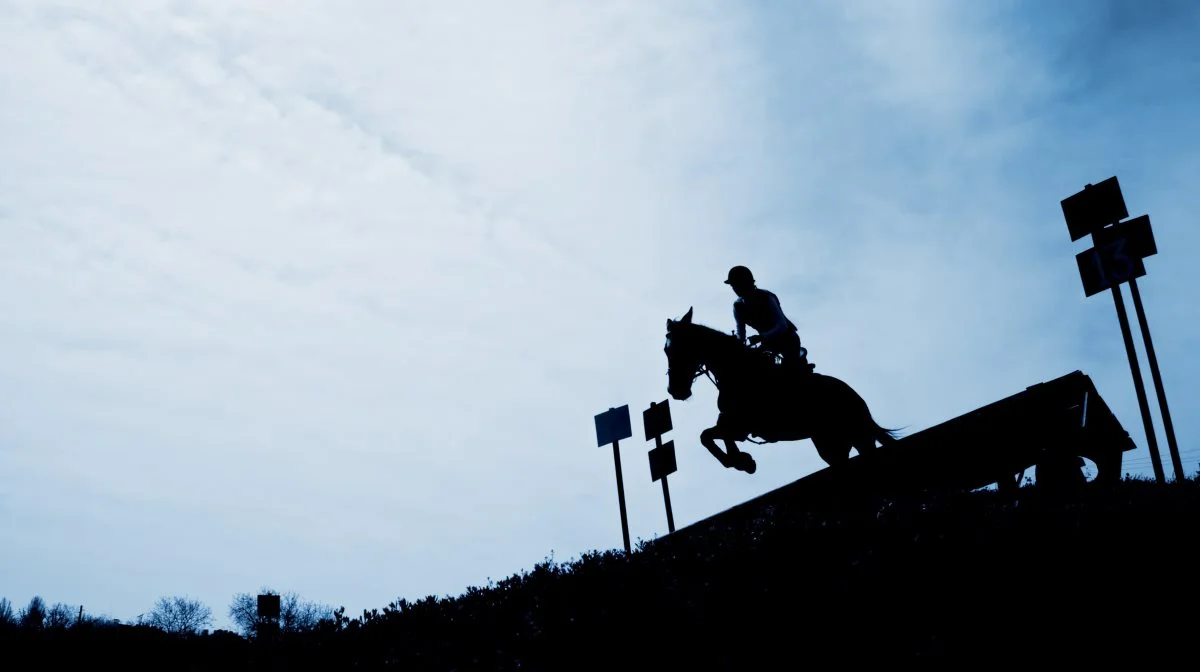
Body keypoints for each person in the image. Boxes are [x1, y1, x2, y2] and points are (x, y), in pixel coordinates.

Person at [724, 265, 807, 368]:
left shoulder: (767, 297)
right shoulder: (738, 306)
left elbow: (782, 326)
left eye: (737, 285)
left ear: (745, 283)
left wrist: (761, 337)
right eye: (733, 286)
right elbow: (741, 335)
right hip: (768, 344)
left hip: (788, 341)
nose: (735, 289)